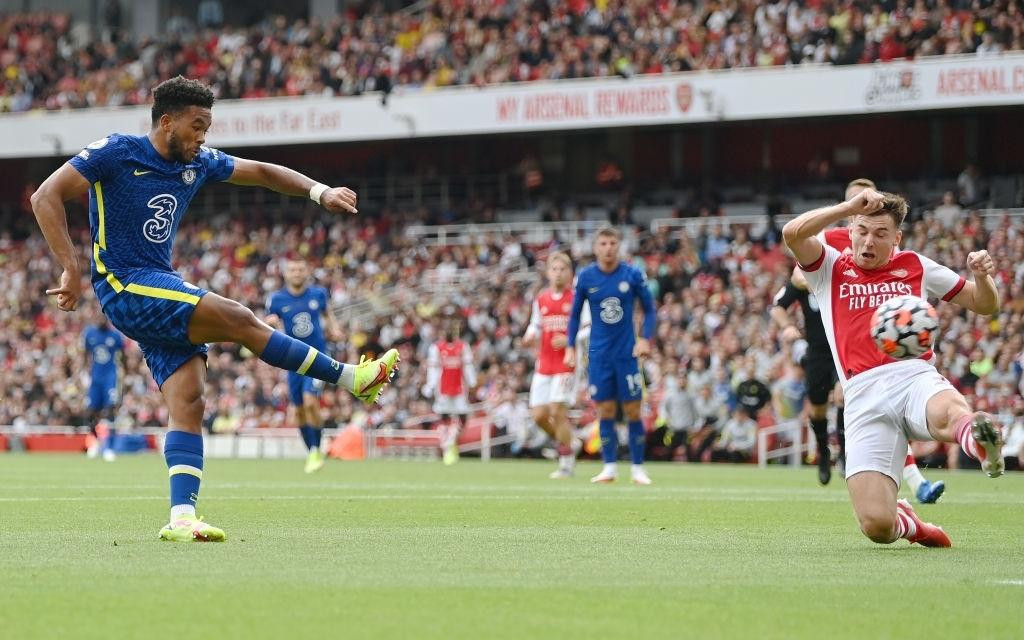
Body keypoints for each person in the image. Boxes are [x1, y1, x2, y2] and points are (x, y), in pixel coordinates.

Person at [31, 76, 400, 543]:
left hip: (158, 286)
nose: (204, 136)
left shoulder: (199, 162)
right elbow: (45, 196)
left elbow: (263, 172)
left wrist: (319, 191)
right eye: (197, 125)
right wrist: (70, 269)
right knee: (240, 318)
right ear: (167, 122)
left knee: (189, 401)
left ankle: (181, 517)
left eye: (207, 126)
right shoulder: (116, 152)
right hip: (125, 284)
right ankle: (351, 378)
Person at [783, 186, 1003, 547]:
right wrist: (847, 207)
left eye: (881, 234)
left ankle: (977, 438)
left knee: (949, 412)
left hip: (913, 376)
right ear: (851, 231)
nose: (869, 242)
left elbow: (983, 304)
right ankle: (910, 525)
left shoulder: (915, 265)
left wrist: (983, 276)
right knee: (876, 527)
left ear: (896, 238)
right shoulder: (829, 267)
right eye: (862, 231)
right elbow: (792, 233)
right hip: (861, 394)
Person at [814, 178, 946, 503]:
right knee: (828, 403)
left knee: (882, 403)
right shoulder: (830, 239)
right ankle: (831, 453)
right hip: (829, 333)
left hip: (878, 337)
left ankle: (913, 482)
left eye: (867, 198)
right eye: (856, 202)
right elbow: (795, 270)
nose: (864, 204)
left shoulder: (886, 241)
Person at [564, 226, 656, 485]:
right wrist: (570, 347)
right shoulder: (586, 277)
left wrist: (645, 339)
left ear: (619, 246)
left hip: (626, 353)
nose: (608, 248)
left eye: (612, 243)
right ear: (596, 247)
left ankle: (638, 468)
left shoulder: (632, 274)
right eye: (603, 243)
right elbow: (573, 315)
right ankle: (609, 467)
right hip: (599, 354)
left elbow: (649, 310)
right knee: (604, 409)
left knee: (632, 410)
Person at [265, 258, 343, 474]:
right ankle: (312, 452)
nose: (297, 272)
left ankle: (317, 448)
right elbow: (271, 323)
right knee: (298, 410)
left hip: (318, 358)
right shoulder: (277, 299)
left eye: (300, 268)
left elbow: (328, 315)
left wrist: (334, 329)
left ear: (306, 271)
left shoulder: (318, 294)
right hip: (292, 361)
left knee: (310, 401)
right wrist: (271, 324)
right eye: (292, 269)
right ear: (286, 274)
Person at [522, 252, 584, 478]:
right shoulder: (542, 298)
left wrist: (570, 340)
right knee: (539, 416)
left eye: (563, 269)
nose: (558, 273)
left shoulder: (577, 298)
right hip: (544, 363)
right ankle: (570, 440)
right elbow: (536, 324)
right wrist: (529, 335)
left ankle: (566, 462)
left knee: (557, 410)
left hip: (566, 362)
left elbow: (588, 327)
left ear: (570, 274)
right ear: (548, 273)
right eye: (554, 269)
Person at [424, 318, 476, 466]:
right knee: (444, 417)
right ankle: (447, 446)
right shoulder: (436, 348)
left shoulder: (463, 347)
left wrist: (471, 382)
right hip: (443, 390)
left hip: (459, 389)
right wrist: (430, 385)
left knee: (462, 417)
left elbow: (467, 366)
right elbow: (433, 369)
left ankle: (452, 441)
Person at [82, 311, 124, 462]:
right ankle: (95, 443)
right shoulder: (89, 334)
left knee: (110, 411)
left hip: (110, 378)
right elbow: (85, 354)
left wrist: (125, 376)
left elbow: (122, 357)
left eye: (103, 318)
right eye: (98, 317)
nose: (101, 320)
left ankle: (109, 448)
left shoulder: (115, 336)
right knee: (90, 413)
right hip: (95, 378)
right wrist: (84, 373)